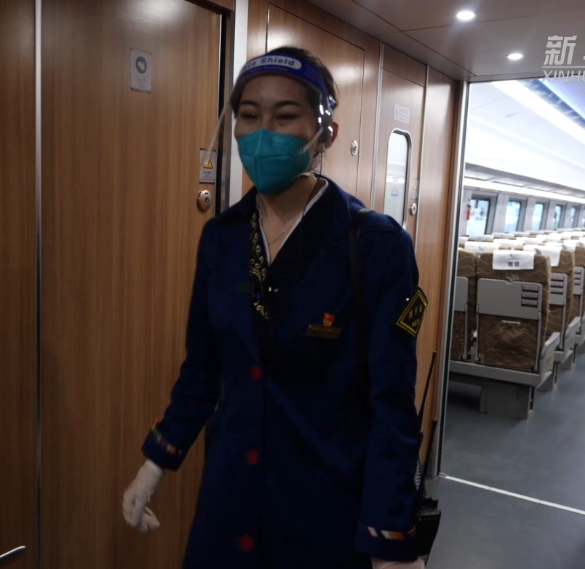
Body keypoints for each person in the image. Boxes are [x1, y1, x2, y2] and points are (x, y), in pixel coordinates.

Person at [122, 47, 427, 569]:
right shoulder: (221, 239)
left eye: (285, 117)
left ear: (325, 133)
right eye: (249, 115)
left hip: (324, 509)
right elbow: (202, 372)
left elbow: (392, 407)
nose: (263, 134)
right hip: (228, 501)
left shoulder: (375, 246)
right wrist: (157, 460)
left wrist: (390, 539)